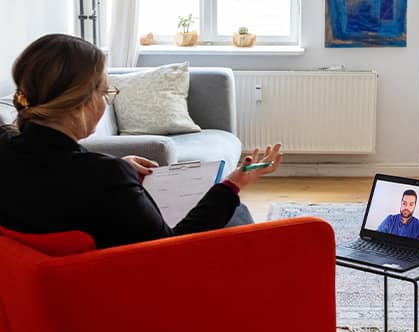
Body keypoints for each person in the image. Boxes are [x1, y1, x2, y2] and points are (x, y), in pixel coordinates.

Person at [0, 33, 282, 249]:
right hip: (126, 296)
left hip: (42, 297)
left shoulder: (7, 149)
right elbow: (170, 246)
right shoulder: (105, 177)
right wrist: (234, 183)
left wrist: (117, 168)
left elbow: (55, 174)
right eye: (104, 92)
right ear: (79, 103)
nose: (105, 101)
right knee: (236, 213)